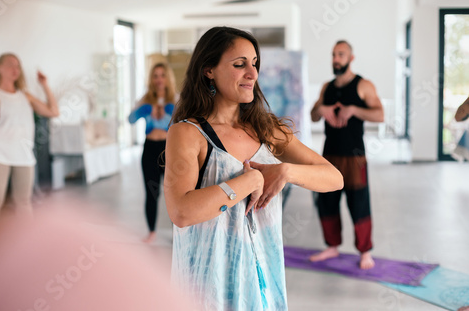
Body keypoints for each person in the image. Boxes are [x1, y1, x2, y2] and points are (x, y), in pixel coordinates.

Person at [164, 26, 343, 310]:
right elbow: (181, 212)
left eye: (255, 64)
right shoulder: (187, 133)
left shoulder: (266, 129)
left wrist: (284, 172)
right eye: (239, 64)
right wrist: (249, 181)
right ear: (208, 70)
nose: (252, 73)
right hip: (208, 287)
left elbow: (334, 178)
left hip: (262, 286)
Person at [310, 40, 384, 270]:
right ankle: (332, 247)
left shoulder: (364, 85)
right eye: (333, 54)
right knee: (326, 202)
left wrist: (354, 110)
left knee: (359, 203)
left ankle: (365, 251)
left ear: (351, 58)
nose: (336, 58)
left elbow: (380, 115)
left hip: (355, 156)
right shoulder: (327, 87)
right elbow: (313, 115)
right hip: (329, 155)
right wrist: (320, 109)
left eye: (341, 54)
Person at [0, 53, 59, 224]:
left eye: (18, 66)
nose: (16, 69)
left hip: (23, 155)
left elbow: (53, 112)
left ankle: (26, 247)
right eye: (11, 65)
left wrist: (45, 85)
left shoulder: (25, 95)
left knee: (24, 203)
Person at [128, 62, 176, 243]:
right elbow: (130, 119)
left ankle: (177, 233)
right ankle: (151, 232)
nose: (159, 79)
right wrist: (145, 109)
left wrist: (170, 111)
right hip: (149, 149)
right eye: (155, 75)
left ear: (167, 78)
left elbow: (187, 121)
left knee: (173, 193)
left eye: (162, 75)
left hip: (168, 150)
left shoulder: (175, 99)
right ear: (151, 79)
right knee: (151, 192)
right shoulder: (145, 100)